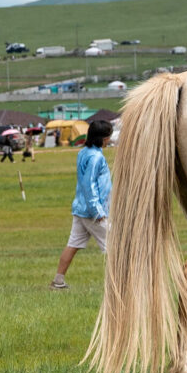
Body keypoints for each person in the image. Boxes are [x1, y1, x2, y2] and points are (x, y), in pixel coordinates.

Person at [50, 120, 114, 290]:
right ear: (102, 138)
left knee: (73, 244)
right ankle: (117, 285)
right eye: (108, 136)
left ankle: (58, 281)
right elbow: (89, 184)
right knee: (114, 245)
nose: (109, 139)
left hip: (80, 209)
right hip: (92, 212)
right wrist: (98, 211)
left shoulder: (84, 153)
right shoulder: (96, 157)